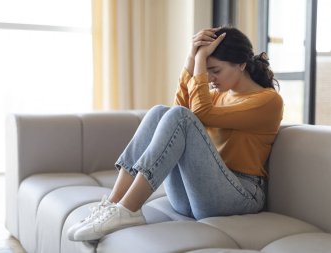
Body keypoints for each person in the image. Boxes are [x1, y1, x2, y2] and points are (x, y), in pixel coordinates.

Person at [67, 26, 283, 241]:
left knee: (180, 115)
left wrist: (199, 61)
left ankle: (129, 209)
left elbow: (196, 114)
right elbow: (174, 114)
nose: (209, 79)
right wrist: (191, 58)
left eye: (215, 71)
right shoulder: (219, 96)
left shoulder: (267, 101)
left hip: (240, 196)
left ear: (241, 65)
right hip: (196, 195)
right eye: (206, 71)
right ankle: (113, 205)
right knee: (160, 112)